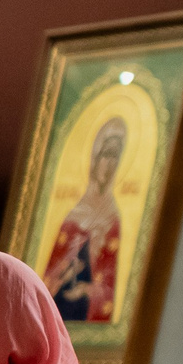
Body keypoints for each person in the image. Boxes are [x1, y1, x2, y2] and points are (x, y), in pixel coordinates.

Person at [43, 118, 127, 323]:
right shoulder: (72, 219)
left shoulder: (113, 221)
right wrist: (67, 268)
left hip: (88, 315)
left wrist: (87, 289)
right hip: (58, 315)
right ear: (94, 159)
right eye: (105, 155)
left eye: (115, 157)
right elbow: (46, 281)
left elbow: (112, 286)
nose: (109, 164)